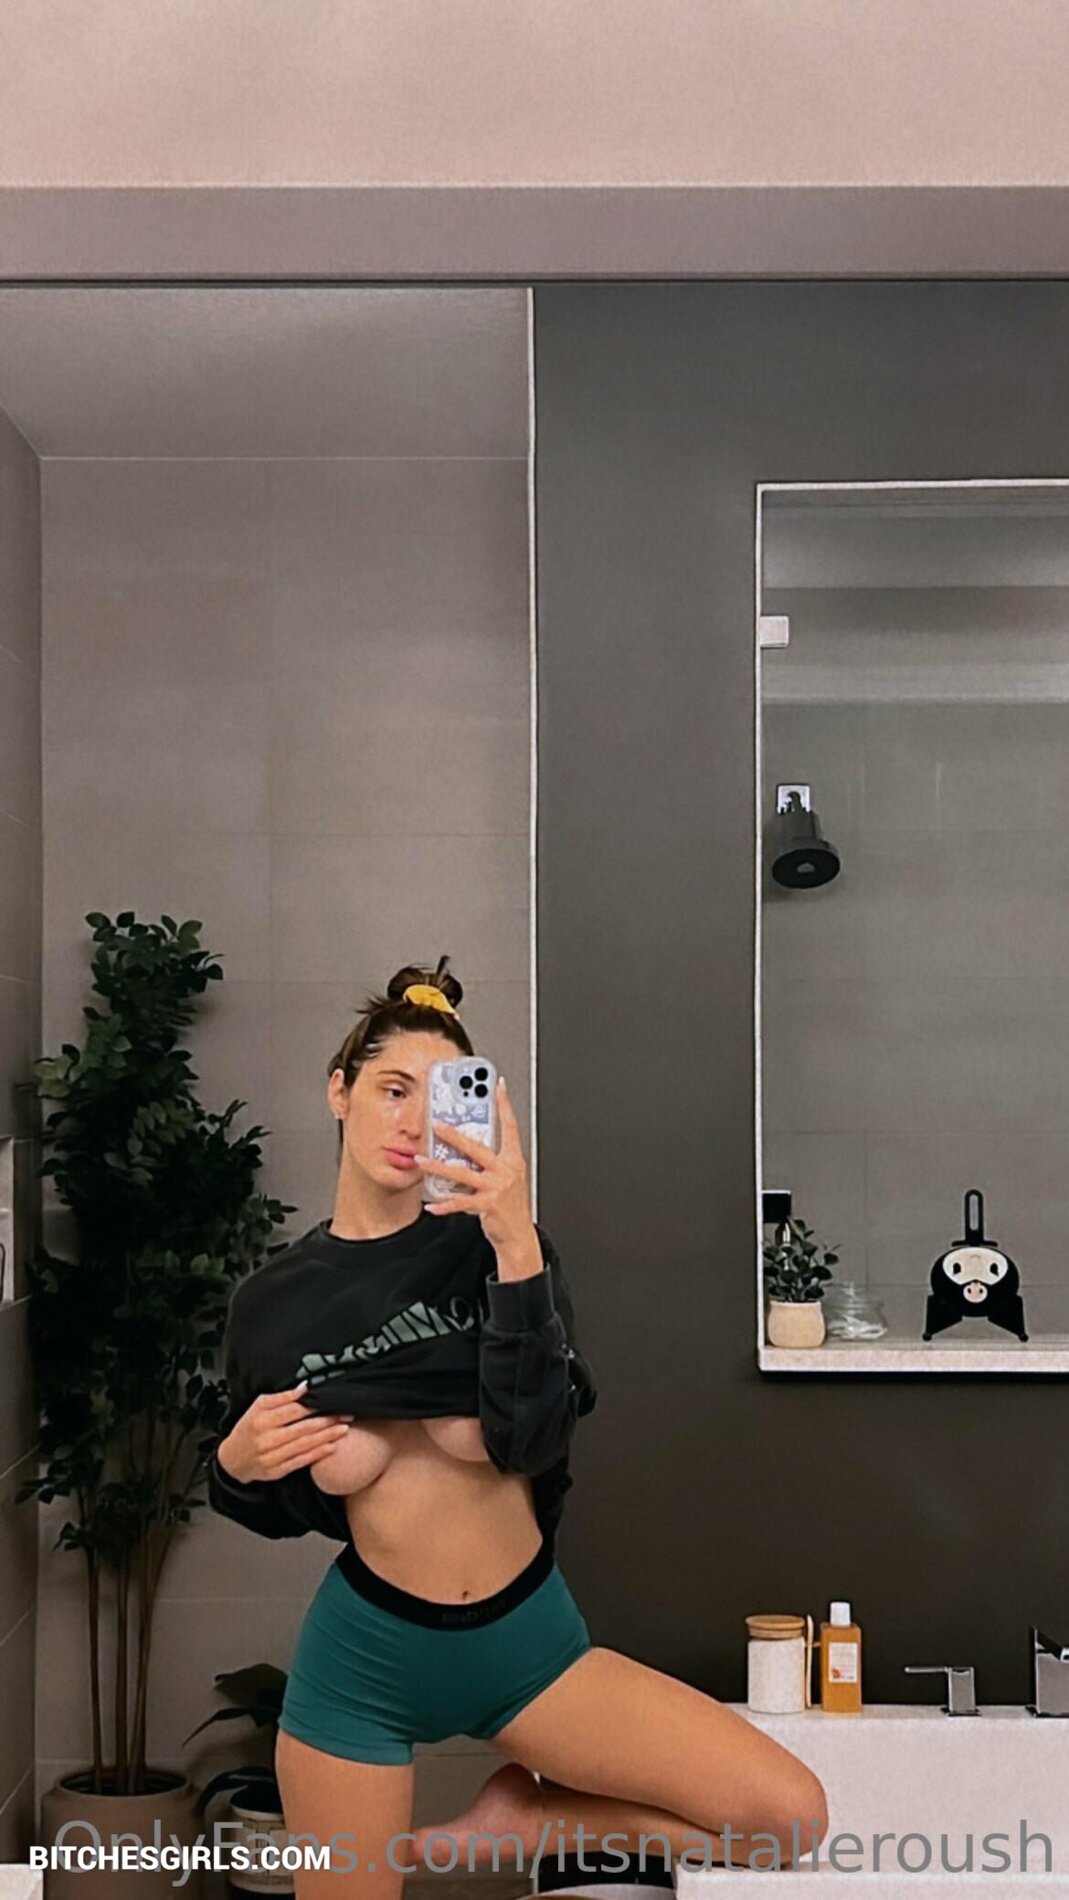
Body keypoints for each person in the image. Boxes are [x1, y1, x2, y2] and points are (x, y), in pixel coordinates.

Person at [208, 957, 829, 1898]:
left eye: (437, 1097)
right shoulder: (274, 1304)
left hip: (529, 1646)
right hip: (364, 1660)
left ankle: (526, 1826)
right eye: (390, 1089)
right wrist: (232, 1463)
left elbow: (534, 1441)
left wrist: (512, 1243)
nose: (411, 1123)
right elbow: (271, 1501)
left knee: (788, 1819)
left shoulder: (501, 1251)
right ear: (339, 1093)